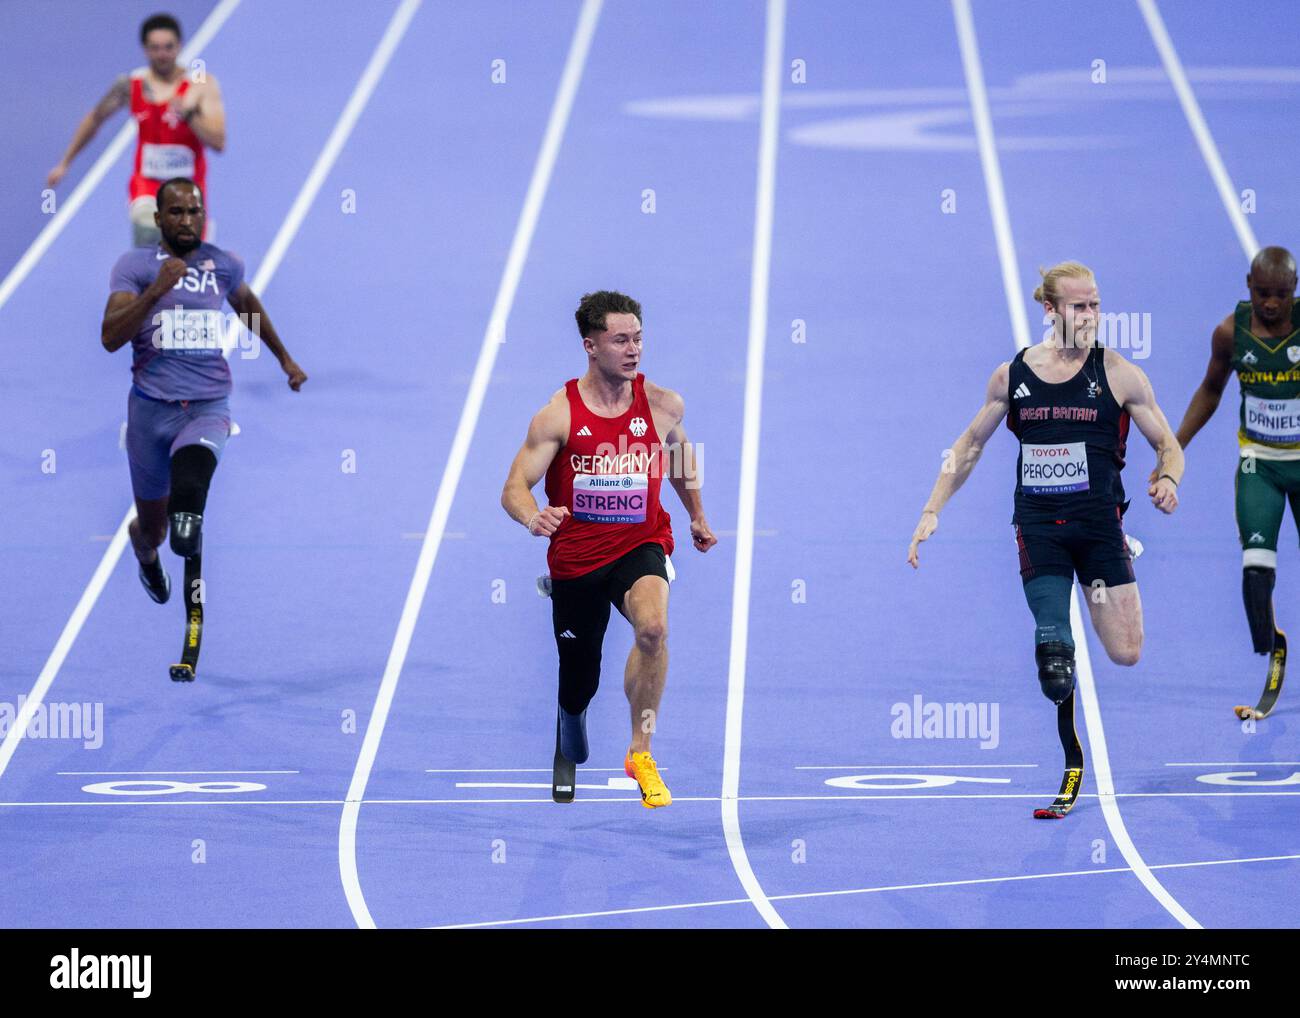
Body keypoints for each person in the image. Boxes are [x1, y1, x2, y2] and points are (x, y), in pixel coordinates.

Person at [908, 261, 1183, 817]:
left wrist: (1170, 478)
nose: (1091, 317)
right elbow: (968, 445)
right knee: (1055, 657)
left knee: (1126, 653)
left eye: (1097, 305)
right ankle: (1065, 725)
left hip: (1100, 528)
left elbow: (1168, 444)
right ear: (1052, 310)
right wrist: (932, 508)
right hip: (1040, 527)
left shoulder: (1121, 375)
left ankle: (1108, 568)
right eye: (1080, 307)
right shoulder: (1013, 377)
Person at [501, 291, 717, 808]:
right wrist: (535, 517)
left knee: (653, 628)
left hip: (640, 544)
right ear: (590, 346)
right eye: (620, 339)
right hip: (576, 559)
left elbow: (682, 460)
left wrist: (697, 515)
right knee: (580, 677)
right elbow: (512, 487)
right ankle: (569, 716)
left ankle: (640, 751)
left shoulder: (663, 405)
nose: (633, 349)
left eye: (638, 338)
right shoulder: (557, 416)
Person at [100, 178, 306, 680]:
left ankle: (191, 618)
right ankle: (145, 548)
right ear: (159, 218)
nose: (188, 220)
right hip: (151, 412)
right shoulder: (134, 268)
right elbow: (110, 338)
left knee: (187, 512)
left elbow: (248, 307)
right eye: (177, 213)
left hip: (208, 407)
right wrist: (155, 292)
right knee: (156, 528)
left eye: (195, 211)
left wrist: (285, 360)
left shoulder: (222, 263)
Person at [1165, 246, 1298, 719]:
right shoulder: (1230, 333)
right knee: (1255, 573)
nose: (1270, 304)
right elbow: (1211, 390)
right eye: (1263, 293)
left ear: (1294, 290)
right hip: (1258, 463)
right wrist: (1174, 444)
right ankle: (1270, 644)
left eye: (1281, 295)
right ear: (1249, 285)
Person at [49, 13, 225, 247]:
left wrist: (189, 115)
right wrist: (65, 162)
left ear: (180, 46)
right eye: (155, 48)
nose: (162, 54)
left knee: (186, 262)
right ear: (145, 49)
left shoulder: (200, 85)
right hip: (147, 183)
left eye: (168, 47)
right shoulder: (130, 87)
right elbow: (95, 119)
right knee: (147, 230)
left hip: (188, 187)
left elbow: (218, 142)